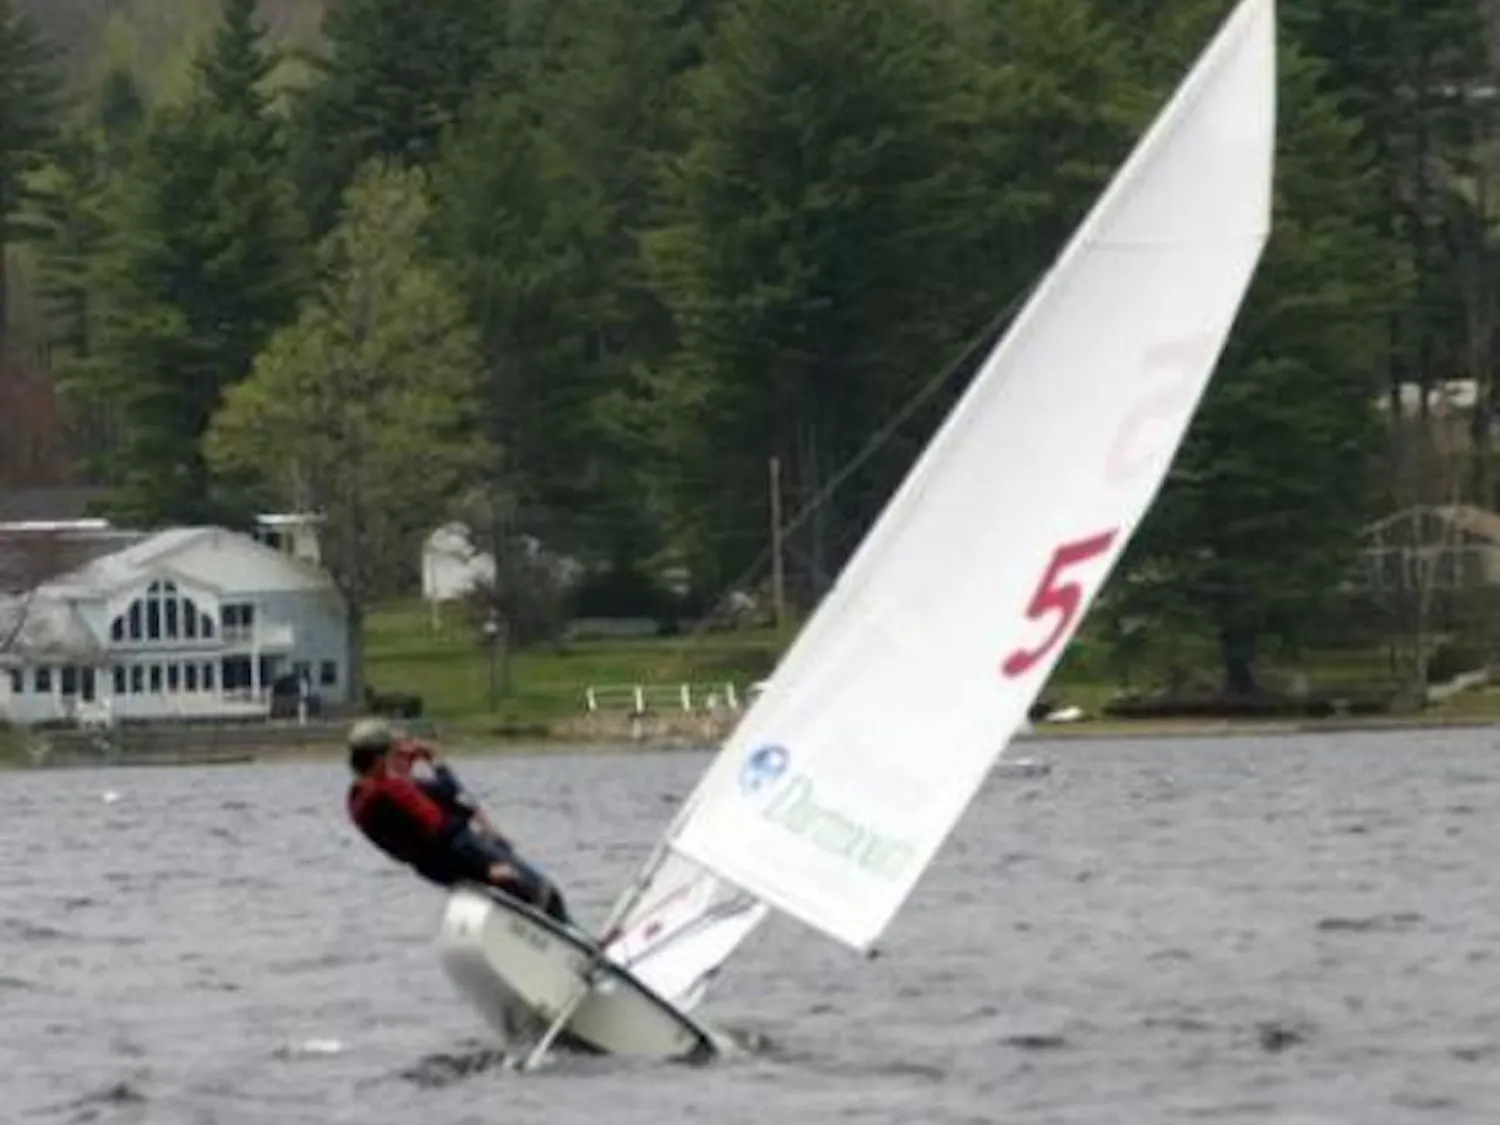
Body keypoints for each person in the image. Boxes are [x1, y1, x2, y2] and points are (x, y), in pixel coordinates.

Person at [344, 718, 572, 925]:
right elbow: (445, 806)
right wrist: (435, 760)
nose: (397, 755)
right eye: (391, 752)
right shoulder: (392, 788)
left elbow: (421, 820)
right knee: (546, 896)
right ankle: (581, 950)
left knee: (516, 906)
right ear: (378, 759)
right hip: (465, 852)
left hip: (437, 869)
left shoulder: (357, 799)